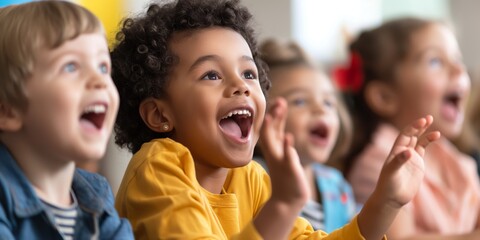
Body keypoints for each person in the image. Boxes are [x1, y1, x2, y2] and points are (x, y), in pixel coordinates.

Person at [111, 0, 439, 239]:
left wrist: (386, 201)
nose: (240, 86)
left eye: (249, 73)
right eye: (211, 75)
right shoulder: (158, 170)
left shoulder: (250, 178)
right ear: (159, 114)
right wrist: (282, 206)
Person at [337, 17, 480, 239]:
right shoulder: (381, 163)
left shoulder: (459, 163)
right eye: (435, 61)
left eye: (457, 59)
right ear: (385, 97)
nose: (459, 69)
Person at [0, 1, 133, 239]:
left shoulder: (97, 196)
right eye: (71, 66)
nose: (100, 80)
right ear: (7, 111)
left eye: (103, 67)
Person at [257, 39, 356, 232]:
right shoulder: (255, 179)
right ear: (262, 116)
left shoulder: (338, 186)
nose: (320, 109)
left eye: (328, 103)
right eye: (300, 101)